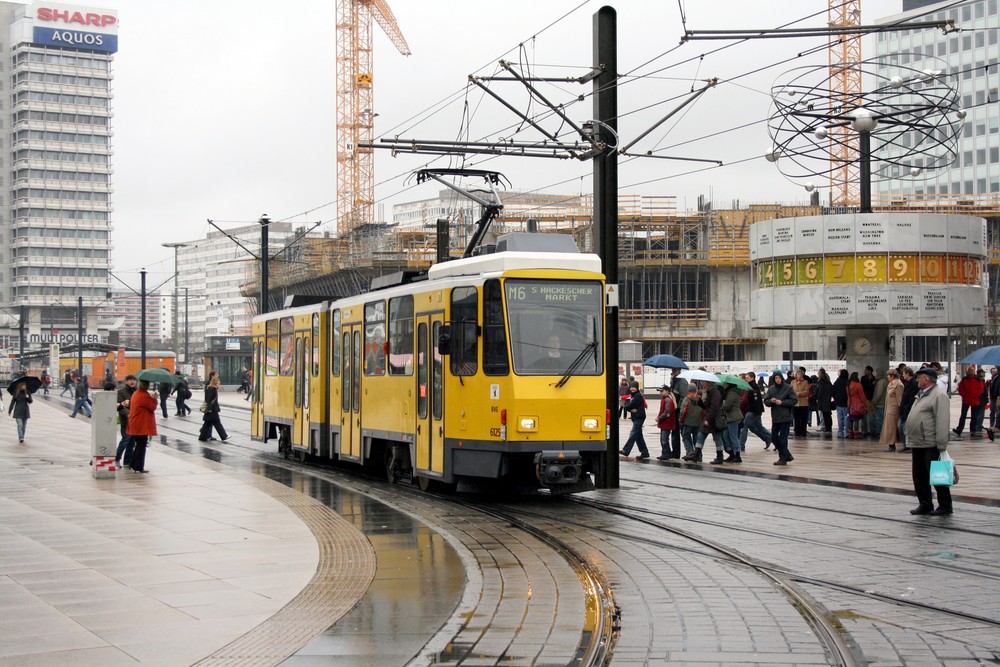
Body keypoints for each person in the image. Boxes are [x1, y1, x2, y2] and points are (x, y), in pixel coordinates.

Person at [903, 368, 953, 516]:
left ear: (927, 379)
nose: (917, 380)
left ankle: (945, 505)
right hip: (917, 442)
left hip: (930, 443)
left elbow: (942, 420)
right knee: (919, 476)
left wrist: (941, 444)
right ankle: (925, 504)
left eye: (919, 378)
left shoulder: (938, 395)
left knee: (938, 476)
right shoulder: (921, 395)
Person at [763, 371, 797, 465]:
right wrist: (771, 401)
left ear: (782, 378)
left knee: (783, 438)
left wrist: (782, 402)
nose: (777, 380)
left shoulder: (788, 388)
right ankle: (787, 454)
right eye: (775, 378)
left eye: (779, 378)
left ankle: (783, 458)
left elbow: (794, 400)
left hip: (785, 417)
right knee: (774, 437)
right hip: (775, 417)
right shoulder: (771, 389)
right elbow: (766, 401)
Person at [126, 379, 158, 473]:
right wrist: (155, 398)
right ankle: (138, 466)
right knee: (141, 445)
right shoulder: (144, 396)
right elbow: (152, 407)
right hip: (141, 424)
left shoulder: (136, 393)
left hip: (135, 422)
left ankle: (133, 464)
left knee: (138, 445)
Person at [694, 380, 723, 463]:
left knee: (717, 437)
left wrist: (708, 419)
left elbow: (714, 407)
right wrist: (699, 401)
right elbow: (706, 406)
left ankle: (720, 456)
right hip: (710, 417)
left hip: (713, 418)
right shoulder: (709, 392)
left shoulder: (715, 392)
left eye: (704, 382)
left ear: (709, 383)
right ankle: (697, 454)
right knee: (701, 434)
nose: (702, 384)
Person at [714, 380, 743, 464]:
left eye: (725, 383)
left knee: (733, 436)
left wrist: (720, 408)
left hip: (733, 417)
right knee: (726, 436)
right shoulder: (728, 392)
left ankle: (737, 455)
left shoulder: (732, 393)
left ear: (729, 384)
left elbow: (727, 405)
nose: (723, 385)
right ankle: (731, 454)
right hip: (729, 417)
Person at [619, 381, 648, 459]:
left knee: (633, 433)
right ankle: (645, 452)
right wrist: (631, 409)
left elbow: (629, 406)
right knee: (638, 436)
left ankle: (626, 450)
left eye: (634, 387)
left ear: (637, 388)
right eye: (631, 387)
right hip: (636, 417)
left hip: (639, 417)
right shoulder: (633, 395)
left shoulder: (638, 396)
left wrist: (629, 408)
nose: (632, 389)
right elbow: (626, 406)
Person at [742, 374, 772, 450]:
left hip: (753, 410)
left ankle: (741, 445)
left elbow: (755, 400)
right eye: (745, 378)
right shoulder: (750, 386)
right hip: (755, 410)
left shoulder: (753, 386)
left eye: (747, 378)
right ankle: (770, 439)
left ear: (752, 378)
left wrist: (755, 410)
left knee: (744, 426)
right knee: (756, 427)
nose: (746, 379)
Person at [953, 367, 983, 438]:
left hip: (973, 400)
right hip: (968, 400)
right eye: (970, 370)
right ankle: (960, 429)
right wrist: (965, 396)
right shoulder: (965, 379)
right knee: (964, 416)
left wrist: (975, 396)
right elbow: (961, 389)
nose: (970, 372)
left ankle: (972, 430)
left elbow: (980, 389)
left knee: (973, 417)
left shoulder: (977, 380)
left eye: (972, 371)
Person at [115, 375, 138, 468]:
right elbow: (119, 406)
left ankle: (128, 461)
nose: (132, 382)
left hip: (135, 420)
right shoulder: (121, 392)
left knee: (132, 442)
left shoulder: (137, 392)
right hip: (126, 420)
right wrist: (128, 414)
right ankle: (116, 458)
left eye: (133, 380)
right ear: (125, 382)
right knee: (126, 439)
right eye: (130, 380)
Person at [198, 375, 230, 442]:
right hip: (212, 409)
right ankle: (224, 436)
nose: (219, 384)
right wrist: (209, 408)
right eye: (218, 383)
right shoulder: (212, 389)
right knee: (217, 423)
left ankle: (202, 437)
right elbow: (209, 399)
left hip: (211, 409)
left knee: (207, 423)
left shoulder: (209, 388)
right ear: (215, 382)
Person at [679, 386, 704, 461]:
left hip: (688, 422)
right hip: (698, 422)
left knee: (686, 437)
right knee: (696, 439)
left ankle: (690, 452)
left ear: (688, 390)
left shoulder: (687, 399)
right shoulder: (700, 399)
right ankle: (698, 454)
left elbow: (683, 411)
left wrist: (680, 420)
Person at [668, 368, 689, 457]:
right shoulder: (674, 380)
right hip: (674, 409)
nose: (672, 372)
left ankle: (689, 451)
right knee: (674, 431)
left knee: (683, 432)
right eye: (672, 370)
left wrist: (678, 405)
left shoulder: (682, 381)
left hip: (679, 409)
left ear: (679, 370)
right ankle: (675, 452)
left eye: (674, 370)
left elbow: (684, 397)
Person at [880, 369, 903, 451]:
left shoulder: (899, 385)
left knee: (892, 427)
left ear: (893, 376)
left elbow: (899, 398)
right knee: (889, 427)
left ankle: (892, 444)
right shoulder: (890, 384)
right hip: (889, 408)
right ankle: (890, 443)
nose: (887, 377)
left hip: (894, 409)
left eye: (889, 375)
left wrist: (900, 409)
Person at [654, 384, 677, 460]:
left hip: (666, 422)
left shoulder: (667, 400)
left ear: (667, 391)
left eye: (662, 391)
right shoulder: (665, 399)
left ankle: (665, 454)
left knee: (664, 439)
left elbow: (667, 412)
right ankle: (667, 453)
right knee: (663, 439)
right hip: (665, 422)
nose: (660, 393)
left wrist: (659, 418)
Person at [898, 366, 918, 452]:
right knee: (900, 427)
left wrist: (906, 408)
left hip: (908, 409)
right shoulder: (906, 383)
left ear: (907, 374)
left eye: (903, 373)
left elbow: (911, 398)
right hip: (904, 409)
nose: (902, 375)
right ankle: (905, 445)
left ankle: (908, 445)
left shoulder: (913, 383)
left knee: (904, 427)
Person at [847, 372, 868, 439]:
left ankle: (850, 433)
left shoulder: (848, 385)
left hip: (850, 403)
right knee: (856, 419)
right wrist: (865, 405)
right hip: (857, 403)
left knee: (851, 419)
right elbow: (862, 396)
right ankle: (856, 434)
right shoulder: (858, 385)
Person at [790, 369, 810, 437]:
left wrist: (799, 393)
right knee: (796, 418)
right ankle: (797, 431)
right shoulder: (793, 382)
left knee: (803, 418)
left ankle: (803, 431)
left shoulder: (805, 382)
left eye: (801, 374)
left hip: (803, 403)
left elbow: (807, 391)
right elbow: (790, 390)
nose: (799, 375)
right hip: (795, 403)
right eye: (798, 374)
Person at [815, 368, 834, 436]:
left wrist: (817, 398)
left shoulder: (820, 382)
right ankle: (829, 427)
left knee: (825, 414)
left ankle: (827, 428)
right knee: (828, 414)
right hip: (828, 400)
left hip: (822, 401)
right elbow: (832, 390)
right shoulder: (828, 382)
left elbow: (820, 392)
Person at [832, 369, 850, 438]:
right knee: (846, 417)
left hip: (838, 402)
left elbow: (833, 391)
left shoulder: (837, 381)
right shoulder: (847, 382)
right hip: (846, 402)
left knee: (840, 418)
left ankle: (840, 432)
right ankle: (846, 432)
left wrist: (835, 399)